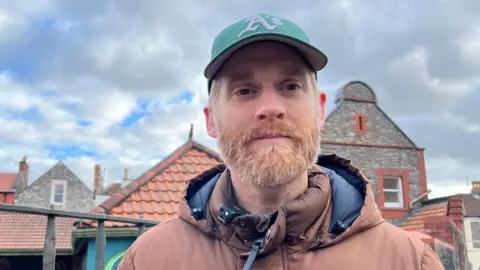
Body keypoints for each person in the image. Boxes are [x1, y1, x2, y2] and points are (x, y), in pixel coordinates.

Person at [118, 13, 445, 270]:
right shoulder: (146, 260)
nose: (270, 108)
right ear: (210, 121)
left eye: (290, 86)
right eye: (244, 90)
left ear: (318, 110)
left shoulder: (409, 261)